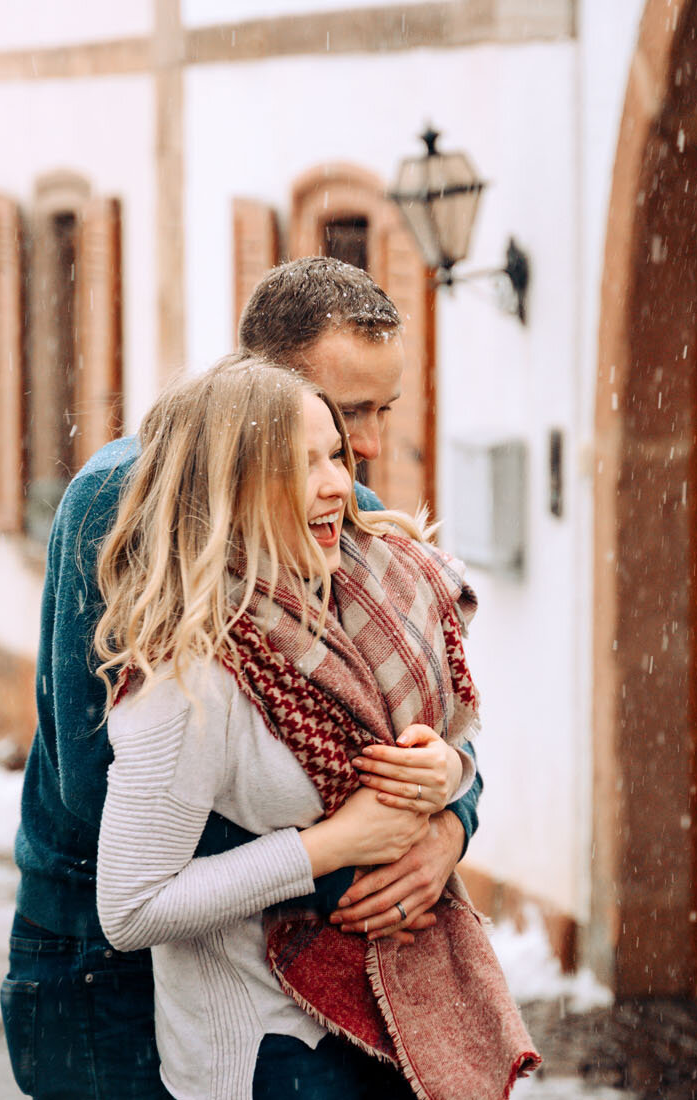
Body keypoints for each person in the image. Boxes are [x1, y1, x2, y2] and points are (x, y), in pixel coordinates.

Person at [2, 258, 483, 1098]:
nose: (365, 450)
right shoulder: (121, 499)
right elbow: (97, 792)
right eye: (347, 413)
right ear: (257, 391)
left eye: (380, 413)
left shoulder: (332, 504)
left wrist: (447, 811)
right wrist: (345, 835)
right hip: (95, 963)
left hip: (262, 970)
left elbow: (431, 711)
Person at [94, 358, 536, 1099]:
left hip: (397, 1021)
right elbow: (131, 907)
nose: (339, 482)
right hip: (274, 1048)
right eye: (301, 466)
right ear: (229, 492)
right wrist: (333, 845)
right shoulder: (192, 675)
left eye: (334, 453)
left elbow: (449, 736)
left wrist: (445, 777)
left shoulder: (374, 596)